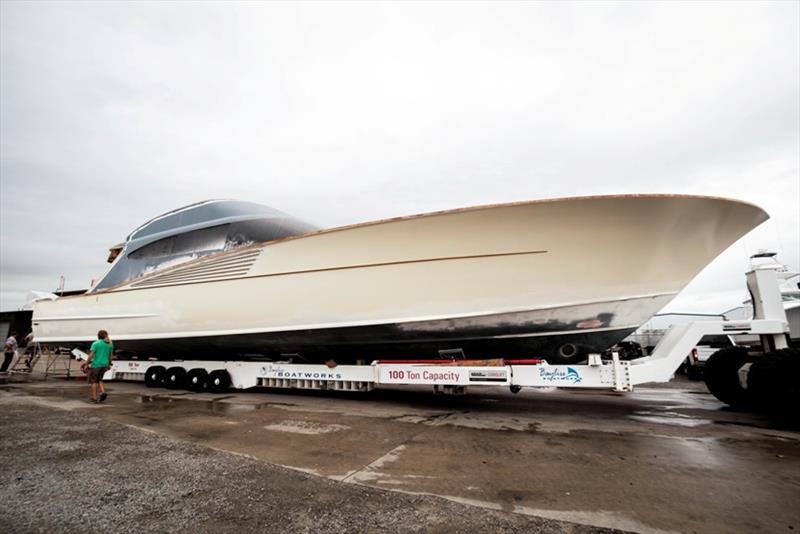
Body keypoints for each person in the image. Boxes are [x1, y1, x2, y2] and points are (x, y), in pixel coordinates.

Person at [83, 330, 113, 403]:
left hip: (96, 365)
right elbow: (110, 356)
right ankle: (103, 392)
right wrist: (109, 364)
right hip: (104, 365)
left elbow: (91, 355)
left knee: (93, 382)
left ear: (98, 336)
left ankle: (94, 398)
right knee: (100, 380)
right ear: (105, 335)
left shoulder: (95, 343)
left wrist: (86, 364)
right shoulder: (110, 344)